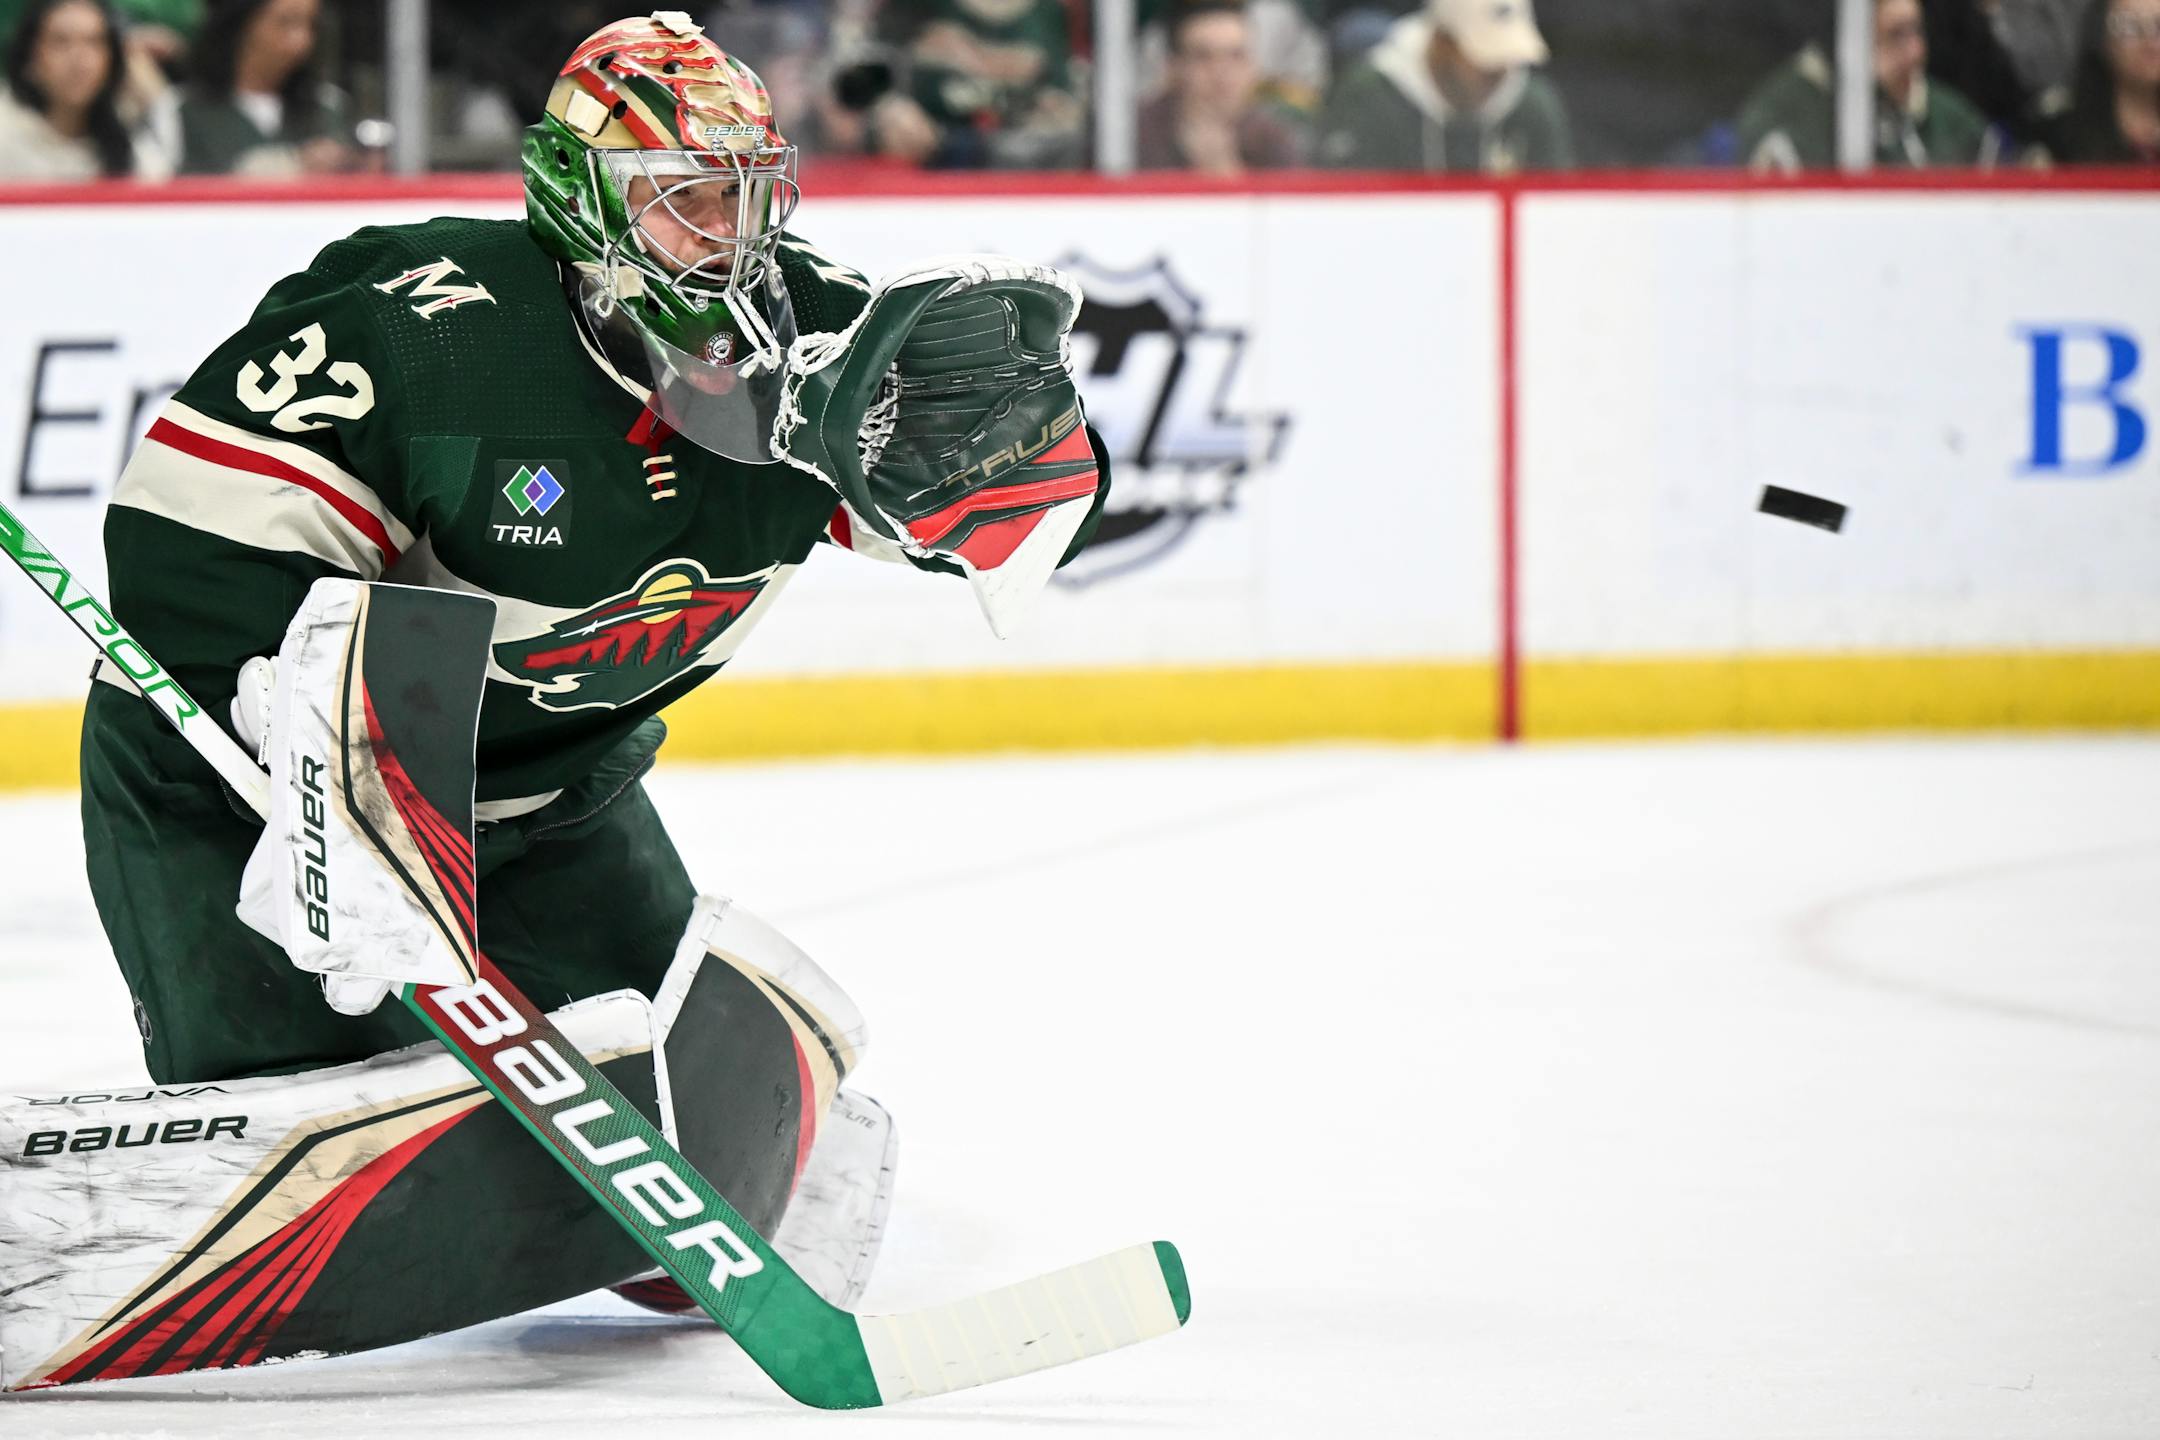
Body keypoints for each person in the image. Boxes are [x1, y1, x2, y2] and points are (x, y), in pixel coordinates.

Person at [22, 7, 1111, 1383]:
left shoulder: (821, 347)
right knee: (307, 1119)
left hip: (550, 795)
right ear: (579, 200)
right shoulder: (425, 328)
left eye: (754, 197)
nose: (735, 241)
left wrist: (1017, 449)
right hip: (233, 789)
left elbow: (1018, 486)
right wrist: (330, 789)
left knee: (681, 1232)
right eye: (687, 201)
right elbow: (186, 565)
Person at [1738, 0, 2002, 170]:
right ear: (1853, 39)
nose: (1916, 52)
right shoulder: (1791, 109)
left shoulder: (1952, 118)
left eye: (1917, 31)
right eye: (1896, 35)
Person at [1316, 0, 1574, 172]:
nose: (1500, 73)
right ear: (1442, 43)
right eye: (1485, 61)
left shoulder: (1531, 104)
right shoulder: (1370, 99)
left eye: (1506, 58)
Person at [176, 0, 352, 174]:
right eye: (286, 22)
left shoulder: (327, 105)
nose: (302, 40)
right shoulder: (180, 110)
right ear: (243, 24)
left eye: (311, 25)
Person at [0, 0, 171, 177]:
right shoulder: (5, 136)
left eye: (93, 42)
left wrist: (156, 98)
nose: (79, 59)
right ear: (30, 56)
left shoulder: (130, 149)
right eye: (61, 42)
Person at [1138, 1, 1307, 172]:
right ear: (1172, 67)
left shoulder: (1272, 140)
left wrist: (1226, 171)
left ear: (1253, 68)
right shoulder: (1134, 136)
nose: (1222, 74)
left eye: (1236, 56)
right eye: (1203, 57)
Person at [2048, 0, 2160, 161]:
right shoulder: (2061, 135)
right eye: (2129, 26)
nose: (2151, 43)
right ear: (2101, 37)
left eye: (2159, 26)